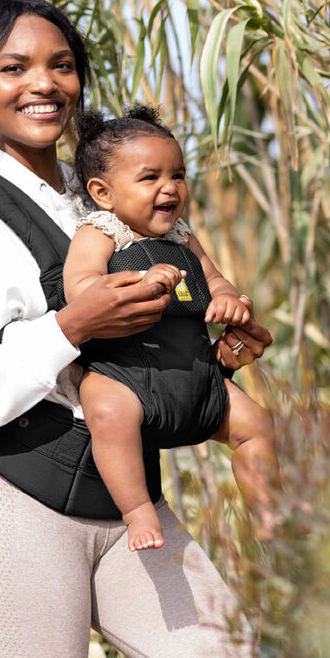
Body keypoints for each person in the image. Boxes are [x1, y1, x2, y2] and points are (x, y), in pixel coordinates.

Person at [0, 0, 273, 658]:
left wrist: (220, 344)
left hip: (130, 502)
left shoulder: (109, 194)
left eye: (62, 65)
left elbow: (156, 337)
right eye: (13, 67)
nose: (43, 83)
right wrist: (71, 325)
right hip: (11, 504)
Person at [63, 107, 280, 551]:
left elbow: (214, 277)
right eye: (150, 178)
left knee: (257, 424)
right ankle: (138, 509)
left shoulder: (182, 236)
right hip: (127, 375)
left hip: (196, 375)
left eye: (178, 175)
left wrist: (227, 299)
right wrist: (139, 283)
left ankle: (268, 510)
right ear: (103, 193)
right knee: (105, 411)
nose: (170, 187)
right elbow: (80, 288)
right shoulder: (101, 232)